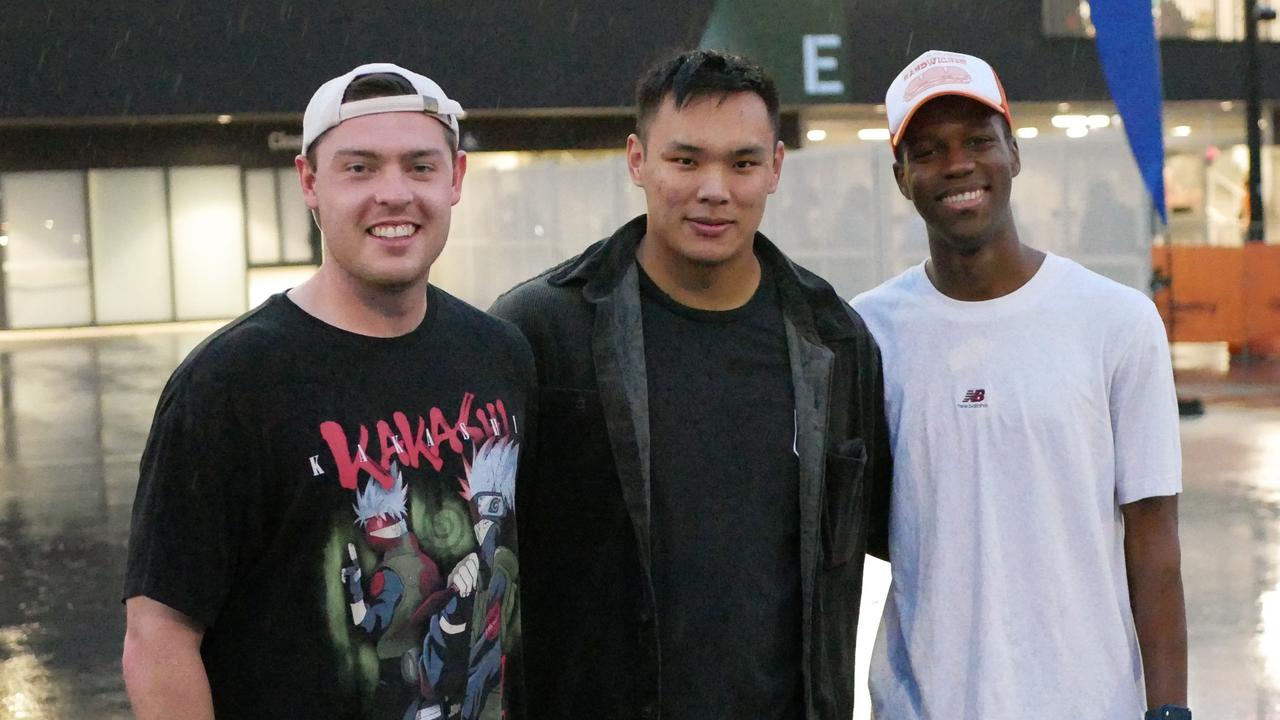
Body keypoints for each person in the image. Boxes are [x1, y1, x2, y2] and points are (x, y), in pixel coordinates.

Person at [122, 62, 535, 720]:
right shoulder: (231, 385)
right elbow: (158, 639)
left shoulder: (499, 354)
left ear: (455, 179)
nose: (394, 194)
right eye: (360, 168)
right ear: (310, 184)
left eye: (420, 167)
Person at [489, 49, 891, 720]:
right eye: (685, 160)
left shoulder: (835, 341)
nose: (714, 189)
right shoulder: (542, 331)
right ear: (637, 160)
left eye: (741, 162)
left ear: (775, 169)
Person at [851, 49, 1189, 719]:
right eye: (929, 150)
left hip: (1088, 703)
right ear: (901, 178)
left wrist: (1171, 710)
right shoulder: (865, 333)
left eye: (979, 141)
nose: (958, 164)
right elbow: (864, 525)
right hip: (923, 705)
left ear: (1013, 151)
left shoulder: (1116, 321)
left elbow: (1153, 539)